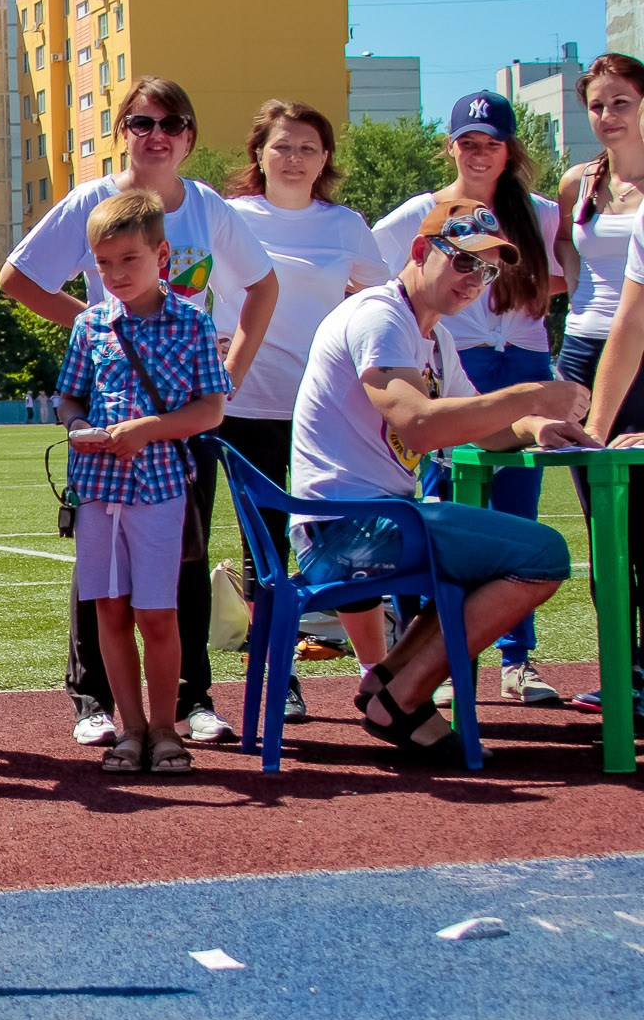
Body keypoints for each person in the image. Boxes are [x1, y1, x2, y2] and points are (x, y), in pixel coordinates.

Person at [3, 76, 278, 750]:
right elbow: (17, 278)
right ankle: (95, 699)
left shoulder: (207, 206)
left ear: (189, 136)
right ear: (122, 130)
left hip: (180, 421)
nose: (156, 134)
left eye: (171, 122)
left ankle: (191, 699)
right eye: (141, 121)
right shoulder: (92, 200)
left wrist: (232, 374)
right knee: (100, 577)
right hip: (108, 423)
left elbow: (263, 285)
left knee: (184, 558)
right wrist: (106, 325)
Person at [293, 201, 586, 760]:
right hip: (348, 527)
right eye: (464, 261)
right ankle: (401, 697)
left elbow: (479, 425)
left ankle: (388, 686)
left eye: (487, 270)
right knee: (543, 554)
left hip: (361, 522)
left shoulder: (430, 334)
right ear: (421, 251)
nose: (475, 280)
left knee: (500, 557)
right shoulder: (381, 317)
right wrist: (529, 394)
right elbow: (421, 426)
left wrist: (536, 426)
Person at [372, 91, 568, 708]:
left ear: (510, 151)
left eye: (492, 143)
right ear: (451, 147)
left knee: (518, 513)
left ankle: (516, 659)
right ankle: (432, 658)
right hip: (460, 361)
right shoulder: (423, 212)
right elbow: (370, 262)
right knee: (446, 503)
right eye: (468, 142)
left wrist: (529, 289)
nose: (480, 154)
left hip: (524, 357)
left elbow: (571, 273)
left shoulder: (539, 212)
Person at [215, 100, 391, 713]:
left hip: (328, 411)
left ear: (325, 160)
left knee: (346, 537)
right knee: (263, 547)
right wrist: (209, 341)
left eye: (307, 148)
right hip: (247, 403)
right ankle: (276, 673)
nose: (294, 159)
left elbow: (384, 298)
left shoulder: (345, 225)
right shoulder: (230, 217)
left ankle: (379, 676)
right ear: (259, 154)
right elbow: (186, 281)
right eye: (282, 146)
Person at [55, 193, 231, 776]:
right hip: (97, 490)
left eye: (128, 259)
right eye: (104, 264)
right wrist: (77, 427)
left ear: (162, 256)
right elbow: (69, 397)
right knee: (110, 612)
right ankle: (130, 729)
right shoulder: (89, 324)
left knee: (158, 615)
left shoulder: (193, 323)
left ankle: (164, 729)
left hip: (160, 490)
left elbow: (210, 409)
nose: (115, 274)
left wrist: (149, 429)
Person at [556, 54, 644, 717]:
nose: (607, 116)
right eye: (596, 105)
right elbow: (566, 258)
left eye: (621, 102)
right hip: (582, 352)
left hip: (637, 355)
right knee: (602, 525)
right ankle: (622, 672)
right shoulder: (579, 183)